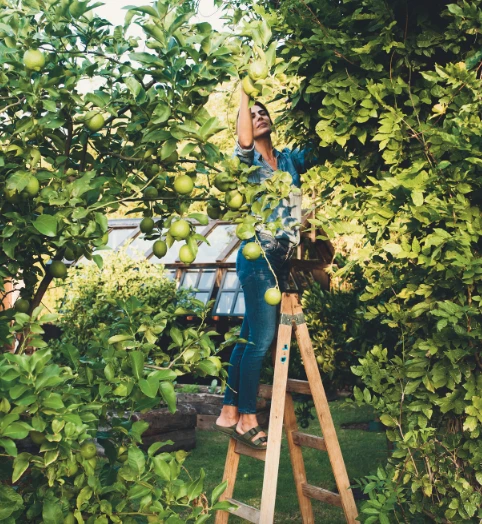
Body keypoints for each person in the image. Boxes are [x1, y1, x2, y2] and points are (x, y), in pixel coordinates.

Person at [214, 85, 314, 450]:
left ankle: (228, 410)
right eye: (250, 114)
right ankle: (247, 417)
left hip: (280, 259)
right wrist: (245, 91)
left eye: (262, 111)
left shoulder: (288, 160)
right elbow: (242, 138)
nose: (258, 116)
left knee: (246, 339)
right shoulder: (248, 164)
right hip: (258, 257)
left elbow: (319, 149)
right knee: (261, 341)